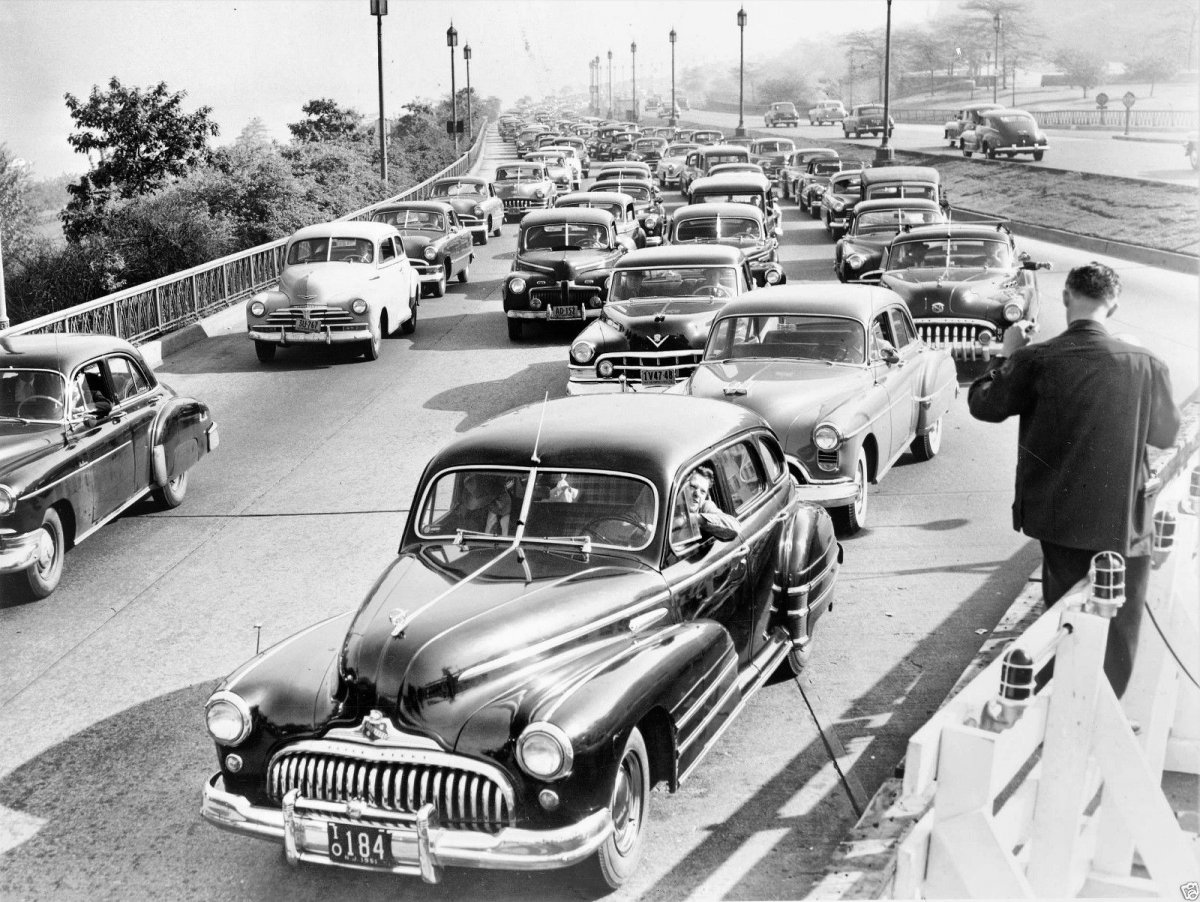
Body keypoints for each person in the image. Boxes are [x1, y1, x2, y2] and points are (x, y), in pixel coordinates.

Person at [967, 262, 1180, 697]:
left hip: (1060, 522)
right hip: (1125, 519)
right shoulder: (1146, 363)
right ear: (1114, 304)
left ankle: (1063, 710)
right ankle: (1109, 712)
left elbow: (984, 405)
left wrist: (1006, 353)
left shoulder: (1036, 359)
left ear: (1066, 298)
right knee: (1120, 627)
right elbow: (1166, 434)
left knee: (1064, 621)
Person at [671, 466, 740, 544]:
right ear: (683, 486)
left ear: (705, 497)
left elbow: (735, 526)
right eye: (693, 487)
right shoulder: (669, 505)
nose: (697, 494)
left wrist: (692, 519)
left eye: (702, 492)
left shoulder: (705, 507)